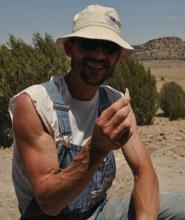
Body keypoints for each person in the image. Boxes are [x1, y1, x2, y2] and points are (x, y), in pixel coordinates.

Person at [9, 4, 185, 220]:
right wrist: (97, 148)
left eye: (109, 48)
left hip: (98, 212)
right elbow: (49, 203)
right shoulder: (35, 104)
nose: (100, 55)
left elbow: (144, 171)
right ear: (70, 48)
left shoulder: (115, 102)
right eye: (90, 44)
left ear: (118, 57)